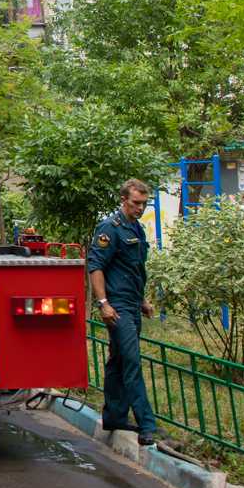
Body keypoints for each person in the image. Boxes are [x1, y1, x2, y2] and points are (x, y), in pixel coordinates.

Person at [88, 179, 165, 446]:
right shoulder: (110, 228)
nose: (140, 208)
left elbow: (133, 270)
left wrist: (142, 301)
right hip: (117, 306)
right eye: (135, 203)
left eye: (144, 203)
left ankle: (114, 416)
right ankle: (147, 424)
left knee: (118, 360)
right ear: (123, 200)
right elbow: (95, 265)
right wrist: (103, 303)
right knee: (132, 361)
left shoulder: (137, 229)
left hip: (132, 303)